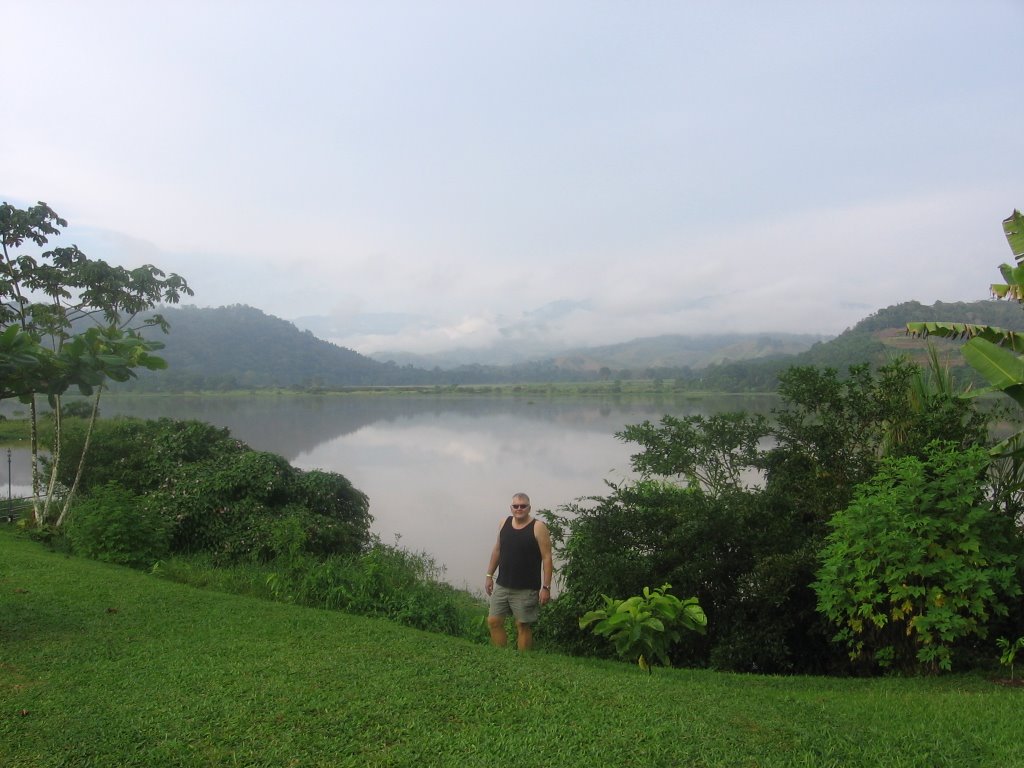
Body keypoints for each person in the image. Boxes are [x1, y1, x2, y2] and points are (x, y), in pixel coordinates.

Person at [484, 492, 553, 651]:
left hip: (526, 588)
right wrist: (489, 575)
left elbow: (547, 558)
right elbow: (497, 551)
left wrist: (546, 587)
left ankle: (524, 661)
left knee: (522, 625)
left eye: (523, 506)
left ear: (529, 508)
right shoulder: (504, 523)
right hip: (502, 584)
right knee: (494, 621)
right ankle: (501, 655)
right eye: (516, 506)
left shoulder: (538, 527)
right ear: (511, 508)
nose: (519, 509)